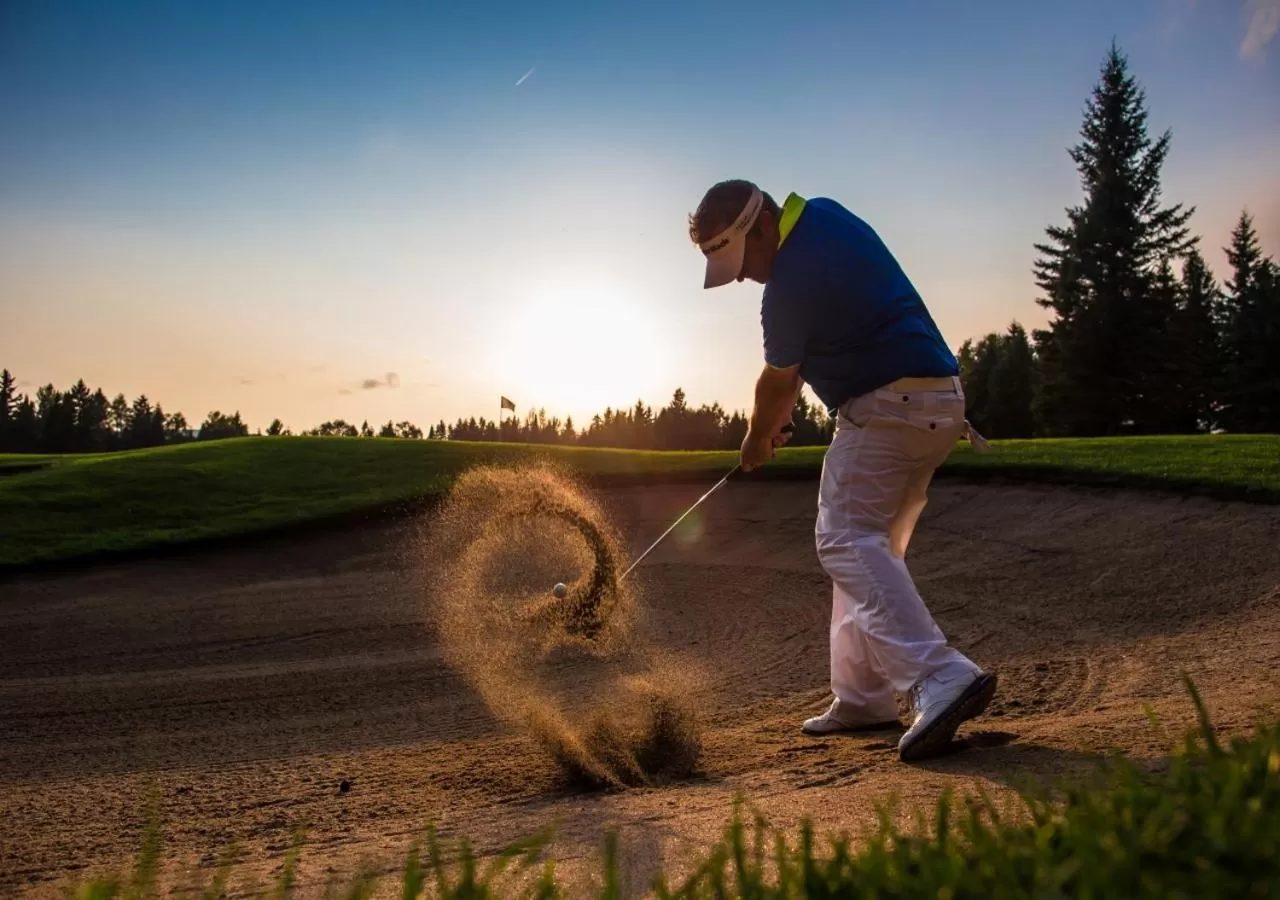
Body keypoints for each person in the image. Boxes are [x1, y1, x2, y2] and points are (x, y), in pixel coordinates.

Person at [688, 179, 997, 762]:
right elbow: (833, 329)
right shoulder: (827, 218)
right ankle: (863, 697)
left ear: (758, 229)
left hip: (887, 409)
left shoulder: (786, 284)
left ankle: (939, 674)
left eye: (740, 262)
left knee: (844, 540)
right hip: (934, 405)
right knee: (865, 548)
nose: (745, 277)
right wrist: (780, 413)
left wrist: (755, 439)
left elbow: (778, 379)